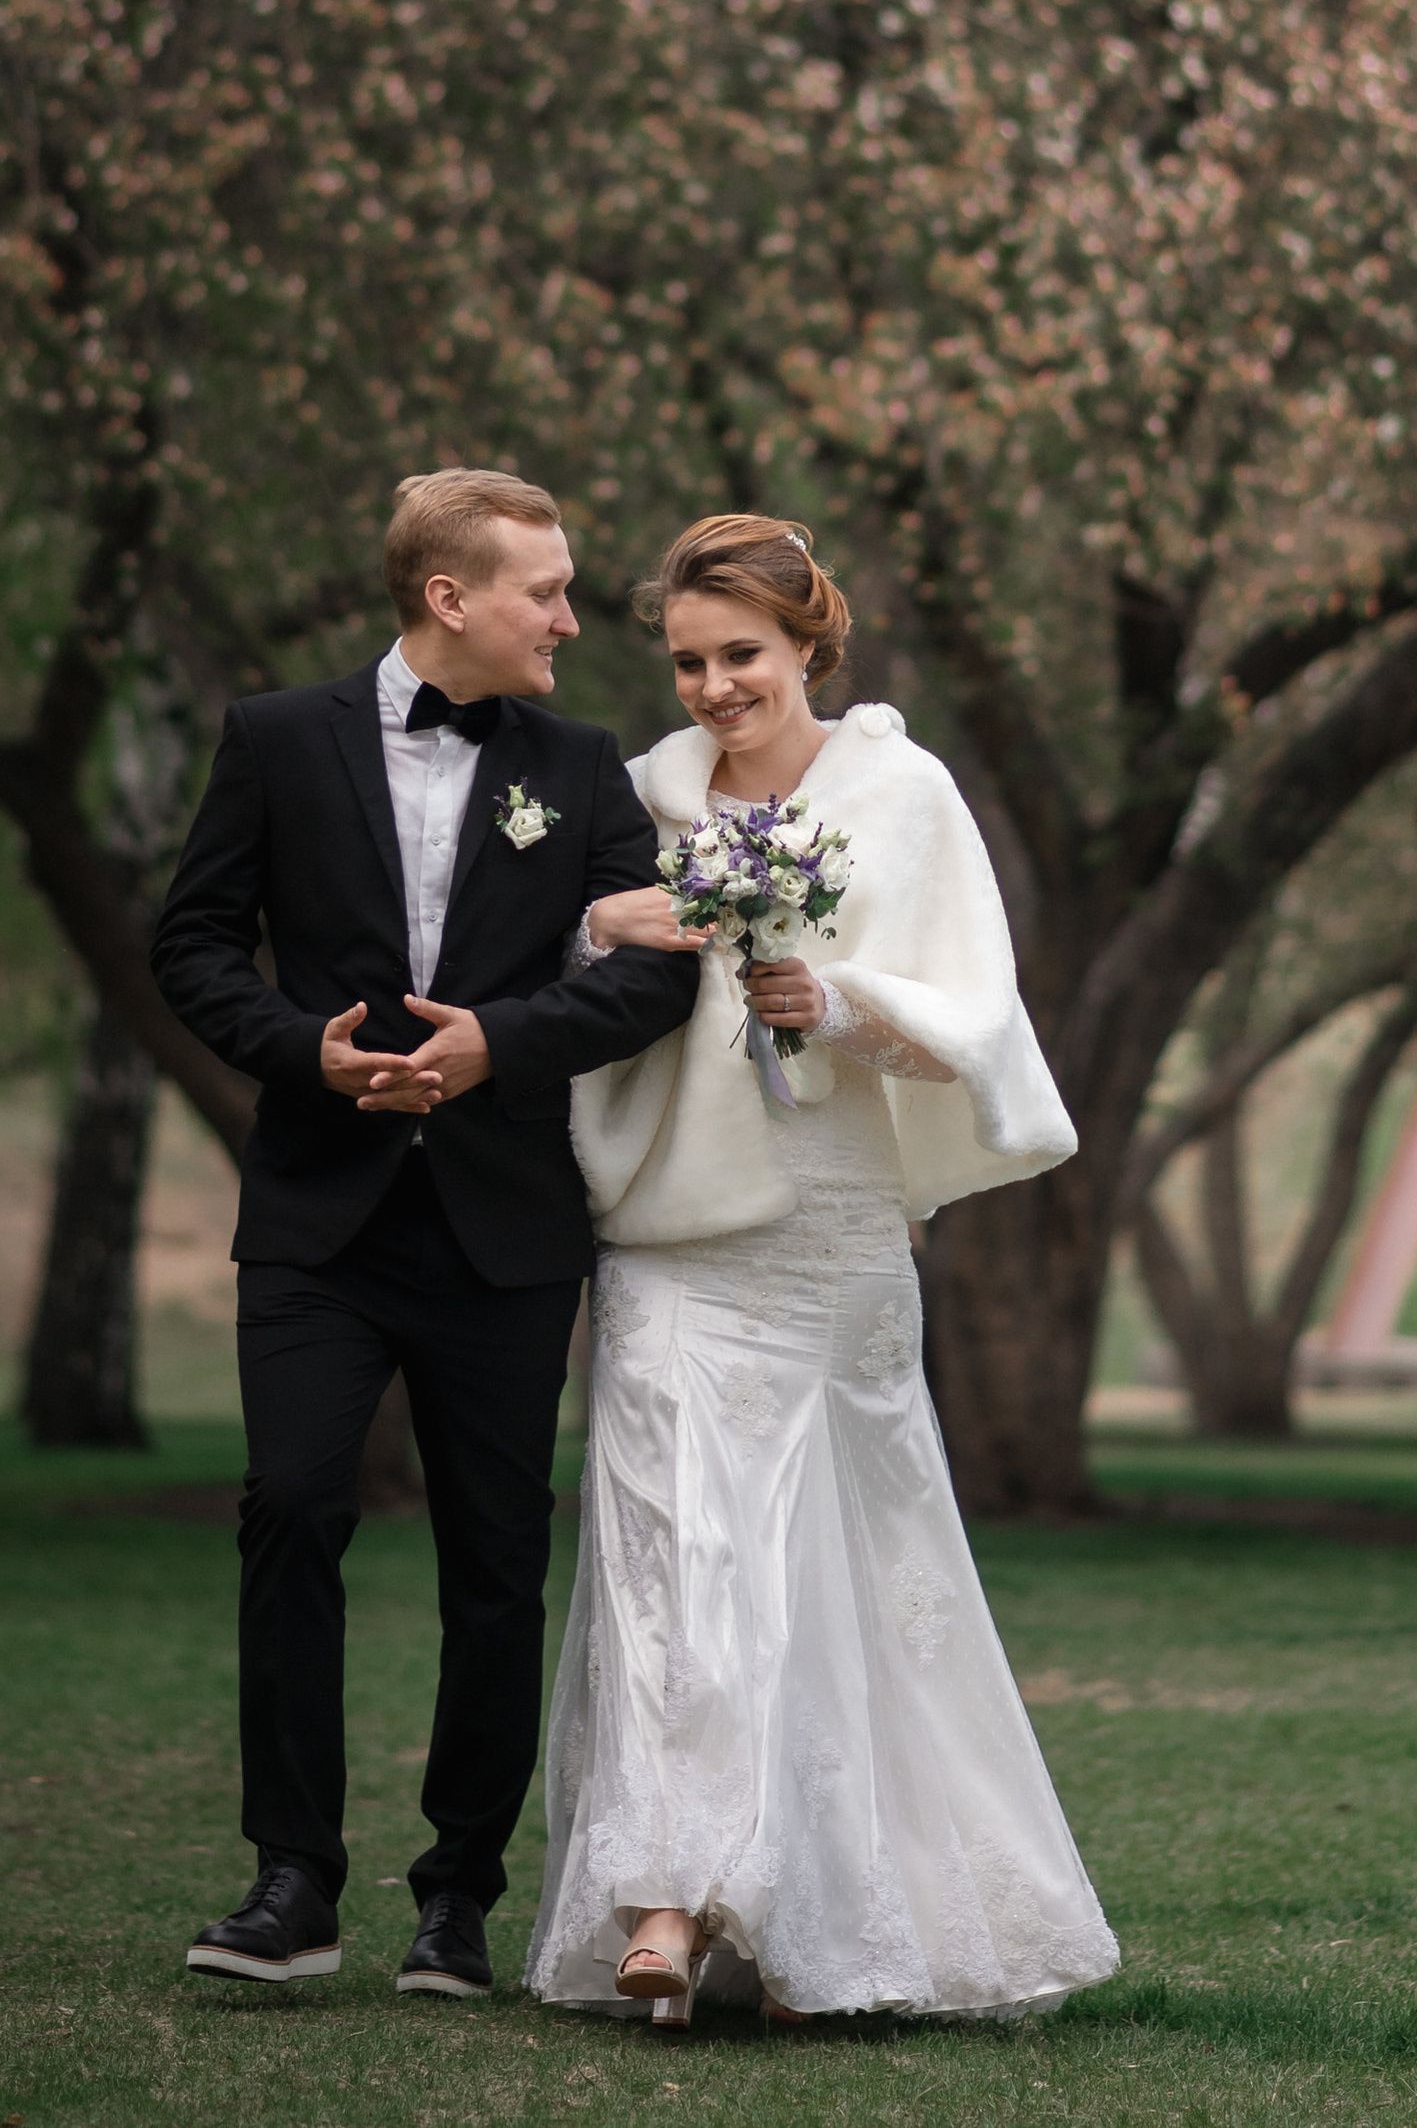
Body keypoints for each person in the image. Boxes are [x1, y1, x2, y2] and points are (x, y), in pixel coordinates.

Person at [527, 512, 1121, 2026]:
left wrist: (833, 997)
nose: (717, 687)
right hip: (671, 1232)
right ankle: (663, 1896)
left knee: (824, 1566)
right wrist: (613, 914)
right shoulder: (643, 794)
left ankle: (820, 1917)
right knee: (675, 1544)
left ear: (808, 645)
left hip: (831, 1228)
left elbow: (970, 1022)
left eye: (744, 655)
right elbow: (554, 949)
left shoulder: (901, 793)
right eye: (688, 661)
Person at [150, 468, 700, 2002]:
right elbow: (190, 943)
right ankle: (291, 1883)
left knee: (494, 1564)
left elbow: (657, 976)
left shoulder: (583, 769)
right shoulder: (272, 740)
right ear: (449, 597)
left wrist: (495, 1047)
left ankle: (457, 1899)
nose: (572, 620)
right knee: (293, 1511)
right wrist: (295, 1051)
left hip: (504, 1225)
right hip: (319, 1216)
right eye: (548, 591)